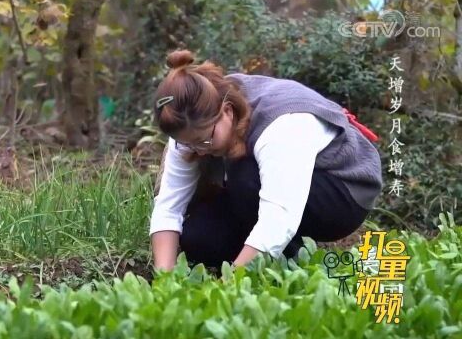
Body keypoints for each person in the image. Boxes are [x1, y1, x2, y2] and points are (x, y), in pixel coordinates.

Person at [149, 49, 383, 271]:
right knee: (199, 237)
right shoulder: (189, 127)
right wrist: (164, 280)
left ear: (227, 112)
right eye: (190, 144)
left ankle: (290, 262)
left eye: (205, 140)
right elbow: (168, 208)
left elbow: (278, 218)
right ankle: (261, 258)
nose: (200, 152)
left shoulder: (282, 126)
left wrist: (231, 285)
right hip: (262, 184)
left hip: (342, 189)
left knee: (245, 177)